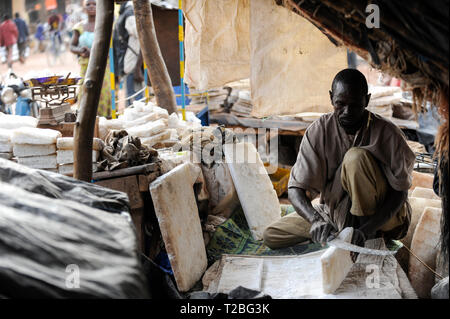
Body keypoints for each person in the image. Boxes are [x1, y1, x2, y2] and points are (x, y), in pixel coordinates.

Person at [263, 69, 415, 252]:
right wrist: (315, 220)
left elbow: (400, 193)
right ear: (331, 98)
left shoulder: (388, 133)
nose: (347, 112)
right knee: (272, 235)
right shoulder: (319, 131)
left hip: (380, 218)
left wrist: (366, 230)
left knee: (355, 157)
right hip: (335, 213)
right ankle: (342, 232)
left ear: (366, 101)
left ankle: (359, 234)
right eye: (340, 104)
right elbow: (295, 189)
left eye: (356, 105)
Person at [70, 0, 112, 118]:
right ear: (84, 8)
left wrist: (95, 52)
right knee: (86, 93)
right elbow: (72, 46)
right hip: (85, 66)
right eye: (88, 4)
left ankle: (104, 121)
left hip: (103, 66)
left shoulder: (105, 24)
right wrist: (80, 50)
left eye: (95, 4)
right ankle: (86, 122)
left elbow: (111, 45)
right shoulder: (79, 27)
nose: (91, 6)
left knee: (103, 93)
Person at [114, 2, 144, 107]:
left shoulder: (129, 13)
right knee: (132, 100)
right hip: (128, 64)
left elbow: (142, 40)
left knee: (135, 103)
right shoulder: (125, 12)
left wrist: (137, 68)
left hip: (133, 65)